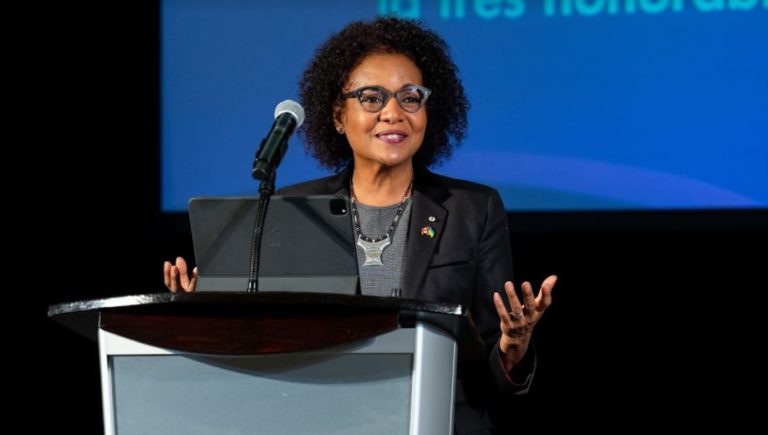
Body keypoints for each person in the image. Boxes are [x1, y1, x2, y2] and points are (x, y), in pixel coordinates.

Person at [164, 17, 556, 434]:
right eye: (372, 98)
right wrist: (208, 310)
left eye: (410, 97)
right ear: (338, 115)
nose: (393, 113)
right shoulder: (291, 207)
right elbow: (268, 342)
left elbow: (496, 371)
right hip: (322, 417)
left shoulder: (473, 209)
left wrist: (514, 346)